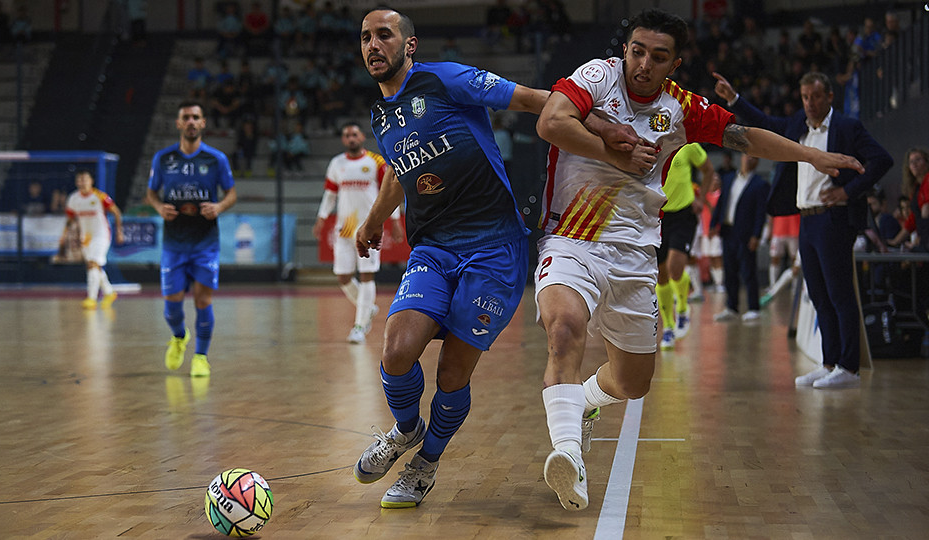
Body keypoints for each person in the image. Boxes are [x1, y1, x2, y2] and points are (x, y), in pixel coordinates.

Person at [533, 8, 863, 511]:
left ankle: (581, 399)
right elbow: (551, 122)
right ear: (626, 49)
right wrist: (613, 152)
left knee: (632, 382)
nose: (644, 63)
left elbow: (745, 136)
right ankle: (569, 456)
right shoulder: (597, 78)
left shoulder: (681, 108)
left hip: (635, 254)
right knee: (563, 328)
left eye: (658, 56)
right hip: (570, 239)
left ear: (674, 63)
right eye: (637, 51)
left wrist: (811, 156)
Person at [350, 7, 557, 510]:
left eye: (384, 35)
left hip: (494, 248)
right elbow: (399, 170)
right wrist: (376, 219)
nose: (373, 45)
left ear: (409, 45)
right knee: (397, 351)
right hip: (434, 246)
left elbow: (533, 100)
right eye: (365, 38)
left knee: (451, 375)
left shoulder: (446, 79)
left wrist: (605, 123)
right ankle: (405, 430)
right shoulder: (381, 114)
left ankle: (426, 464)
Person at [713, 68, 892, 389]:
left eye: (816, 97)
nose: (809, 103)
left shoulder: (848, 127)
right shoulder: (797, 124)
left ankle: (849, 368)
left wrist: (847, 192)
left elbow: (882, 160)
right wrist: (735, 99)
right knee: (819, 295)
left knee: (840, 295)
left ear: (830, 97)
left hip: (834, 217)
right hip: (806, 218)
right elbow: (767, 124)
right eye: (805, 97)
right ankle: (829, 363)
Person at [146, 101, 237, 378]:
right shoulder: (163, 158)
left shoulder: (216, 159)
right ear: (178, 123)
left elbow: (231, 193)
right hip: (174, 242)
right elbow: (151, 193)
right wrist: (159, 207)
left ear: (203, 123)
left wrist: (219, 207)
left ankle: (200, 357)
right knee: (171, 305)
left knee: (202, 300)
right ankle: (178, 336)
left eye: (195, 117)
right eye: (186, 117)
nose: (191, 122)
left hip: (205, 242)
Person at [312, 121, 404, 344]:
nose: (351, 138)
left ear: (362, 136)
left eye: (354, 134)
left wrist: (395, 221)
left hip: (370, 229)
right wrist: (321, 218)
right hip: (344, 230)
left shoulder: (377, 162)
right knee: (343, 277)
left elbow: (389, 194)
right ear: (343, 140)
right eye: (346, 135)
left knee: (366, 276)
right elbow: (330, 195)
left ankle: (360, 326)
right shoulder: (337, 163)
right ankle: (367, 308)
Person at [656, 142, 715, 348]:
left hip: (683, 213)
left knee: (675, 267)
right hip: (656, 215)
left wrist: (702, 198)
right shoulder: (649, 139)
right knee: (660, 274)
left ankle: (682, 307)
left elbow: (708, 170)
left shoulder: (688, 144)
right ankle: (668, 327)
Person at [710, 154, 769, 322]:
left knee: (748, 270)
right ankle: (731, 307)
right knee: (729, 270)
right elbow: (721, 202)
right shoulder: (728, 178)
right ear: (741, 157)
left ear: (757, 162)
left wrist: (756, 235)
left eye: (754, 158)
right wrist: (714, 224)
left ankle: (753, 307)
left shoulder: (760, 184)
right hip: (727, 231)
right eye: (747, 156)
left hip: (746, 233)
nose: (749, 159)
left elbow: (760, 213)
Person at [62, 170, 125, 309]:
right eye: (80, 180)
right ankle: (109, 292)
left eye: (85, 179)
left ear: (91, 181)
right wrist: (68, 235)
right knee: (94, 266)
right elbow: (71, 219)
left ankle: (91, 298)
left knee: (92, 263)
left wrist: (119, 231)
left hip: (101, 235)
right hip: (86, 237)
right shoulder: (73, 199)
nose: (82, 182)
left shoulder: (100, 196)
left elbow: (116, 212)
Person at [888, 147, 929, 252]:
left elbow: (925, 210)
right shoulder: (916, 188)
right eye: (911, 162)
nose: (914, 164)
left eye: (918, 160)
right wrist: (895, 242)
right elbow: (912, 220)